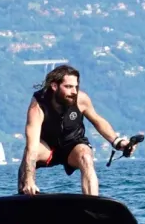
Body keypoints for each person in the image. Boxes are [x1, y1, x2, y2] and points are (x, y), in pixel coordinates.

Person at [18, 64, 131, 196]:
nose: (74, 91)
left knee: (86, 157)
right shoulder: (38, 106)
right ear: (54, 86)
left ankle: (92, 204)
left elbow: (98, 120)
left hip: (73, 146)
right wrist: (29, 180)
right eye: (68, 87)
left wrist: (118, 142)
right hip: (48, 148)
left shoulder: (81, 99)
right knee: (30, 153)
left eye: (76, 86)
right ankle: (24, 194)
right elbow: (32, 147)